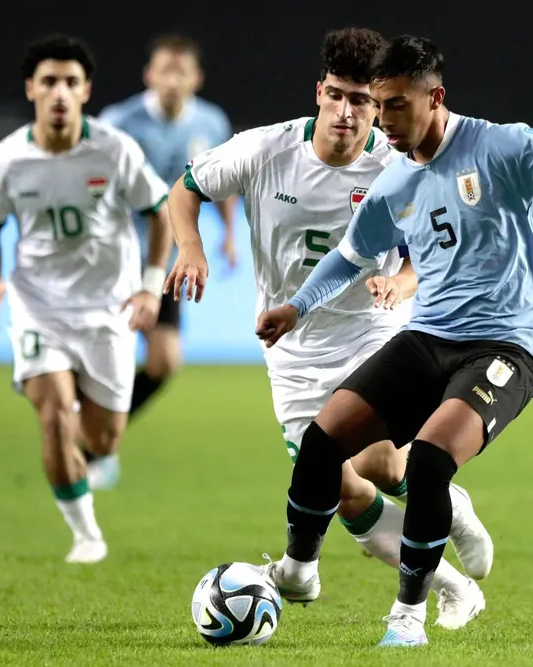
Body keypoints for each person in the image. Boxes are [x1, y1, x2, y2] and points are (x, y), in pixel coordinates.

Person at [253, 34, 533, 646]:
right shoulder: (395, 182)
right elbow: (351, 256)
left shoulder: (502, 145)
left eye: (394, 106)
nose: (382, 122)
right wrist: (296, 306)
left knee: (429, 459)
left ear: (435, 97)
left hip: (507, 343)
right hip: (429, 337)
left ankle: (409, 615)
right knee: (322, 440)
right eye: (377, 106)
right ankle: (297, 569)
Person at [165, 28, 492, 630]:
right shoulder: (264, 150)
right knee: (348, 487)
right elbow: (184, 191)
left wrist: (403, 284)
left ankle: (330, 562)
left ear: (380, 105)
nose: (347, 113)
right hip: (290, 348)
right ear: (320, 92)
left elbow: (432, 244)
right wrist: (191, 249)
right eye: (337, 96)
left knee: (381, 470)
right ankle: (451, 583)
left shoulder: (398, 161)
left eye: (363, 101)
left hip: (372, 333)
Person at [0, 34, 172, 564]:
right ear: (31, 89)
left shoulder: (115, 149)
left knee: (103, 440)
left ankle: (88, 462)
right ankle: (86, 533)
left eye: (71, 82)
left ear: (85, 91)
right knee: (55, 414)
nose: (59, 92)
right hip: (39, 306)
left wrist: (151, 285)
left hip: (108, 309)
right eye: (49, 82)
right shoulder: (6, 160)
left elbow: (160, 212)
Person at [97, 35, 235, 487]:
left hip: (167, 258)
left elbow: (224, 180)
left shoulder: (211, 122)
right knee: (110, 357)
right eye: (164, 71)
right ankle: (97, 443)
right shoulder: (119, 123)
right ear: (149, 76)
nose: (172, 81)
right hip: (115, 258)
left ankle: (97, 437)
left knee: (164, 361)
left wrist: (231, 233)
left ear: (196, 78)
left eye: (181, 72)